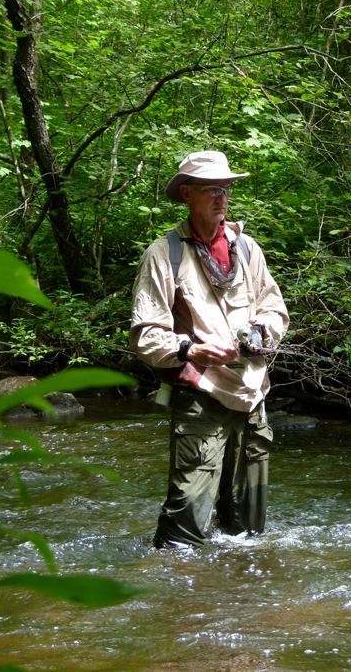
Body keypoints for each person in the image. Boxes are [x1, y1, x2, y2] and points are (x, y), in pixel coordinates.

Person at [130, 150, 289, 548]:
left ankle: (239, 595)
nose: (222, 197)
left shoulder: (248, 249)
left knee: (249, 532)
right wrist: (190, 349)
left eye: (227, 188)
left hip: (253, 394)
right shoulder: (164, 254)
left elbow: (275, 308)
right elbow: (146, 335)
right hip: (200, 395)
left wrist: (261, 331)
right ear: (187, 193)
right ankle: (179, 596)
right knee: (185, 528)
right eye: (211, 189)